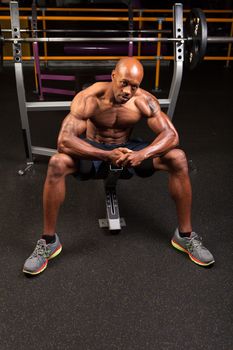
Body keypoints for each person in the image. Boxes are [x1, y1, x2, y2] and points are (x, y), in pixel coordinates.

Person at [23, 57, 214, 275]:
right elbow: (64, 140)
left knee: (178, 157)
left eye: (134, 86)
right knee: (57, 162)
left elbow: (171, 135)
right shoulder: (90, 98)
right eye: (124, 83)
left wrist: (143, 154)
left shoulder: (143, 100)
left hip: (129, 150)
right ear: (113, 76)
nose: (128, 91)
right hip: (95, 150)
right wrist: (105, 155)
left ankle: (185, 236)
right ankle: (48, 241)